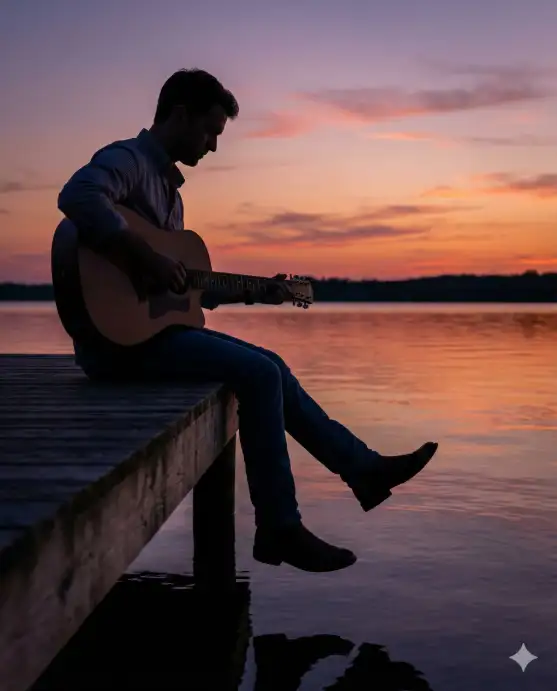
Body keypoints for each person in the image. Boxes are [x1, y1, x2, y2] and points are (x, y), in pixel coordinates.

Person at [57, 68, 438, 573]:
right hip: (116, 349)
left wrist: (262, 292)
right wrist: (140, 256)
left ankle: (363, 470)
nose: (214, 146)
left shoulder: (170, 196)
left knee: (271, 366)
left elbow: (177, 296)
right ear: (180, 114)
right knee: (259, 374)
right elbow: (78, 195)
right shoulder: (127, 159)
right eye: (211, 131)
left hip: (151, 337)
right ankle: (281, 525)